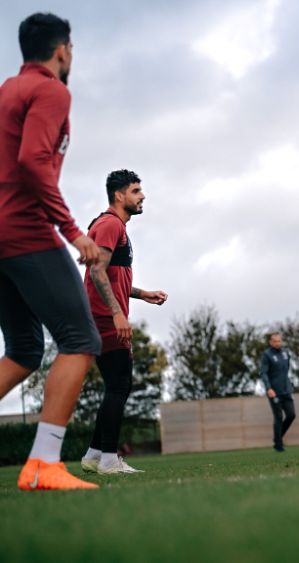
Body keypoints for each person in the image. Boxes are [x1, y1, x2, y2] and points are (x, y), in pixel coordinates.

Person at [0, 13, 103, 491]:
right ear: (62, 50)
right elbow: (32, 161)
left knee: (23, 350)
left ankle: (43, 464)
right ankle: (43, 465)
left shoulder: (7, 90)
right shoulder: (52, 91)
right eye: (72, 50)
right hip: (24, 231)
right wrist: (73, 231)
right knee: (80, 339)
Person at [80, 170, 168, 475]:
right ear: (119, 195)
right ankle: (107, 458)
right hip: (104, 316)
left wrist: (141, 294)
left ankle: (94, 455)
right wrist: (117, 313)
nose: (142, 196)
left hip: (104, 314)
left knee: (118, 385)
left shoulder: (113, 226)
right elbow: (96, 272)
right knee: (119, 384)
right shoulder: (109, 224)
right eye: (136, 190)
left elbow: (111, 275)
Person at [261, 332, 296, 452]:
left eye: (279, 341)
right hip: (274, 392)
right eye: (275, 341)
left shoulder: (286, 353)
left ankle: (277, 438)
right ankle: (279, 445)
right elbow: (264, 373)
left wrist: (288, 383)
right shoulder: (267, 355)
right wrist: (268, 388)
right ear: (271, 342)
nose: (277, 343)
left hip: (286, 390)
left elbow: (286, 370)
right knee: (279, 416)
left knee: (291, 415)